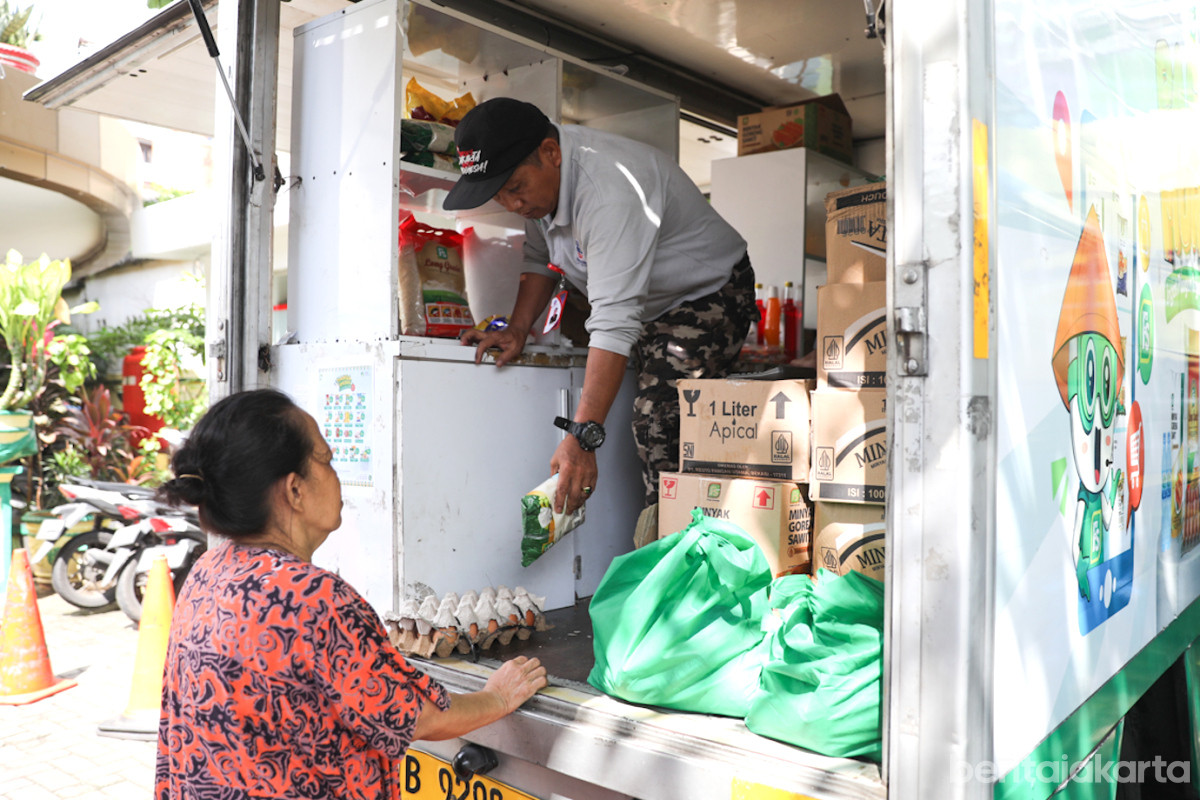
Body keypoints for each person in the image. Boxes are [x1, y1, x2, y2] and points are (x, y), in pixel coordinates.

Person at [154, 389, 547, 800]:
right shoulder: (312, 599)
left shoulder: (208, 570)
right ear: (294, 491)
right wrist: (497, 697)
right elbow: (420, 717)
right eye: (325, 460)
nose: (335, 473)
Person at [445, 97, 758, 515]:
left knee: (661, 421)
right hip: (643, 303)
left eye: (517, 188)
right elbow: (541, 260)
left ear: (550, 154)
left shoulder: (608, 191)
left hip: (707, 292)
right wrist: (518, 328)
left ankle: (676, 556)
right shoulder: (542, 186)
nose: (514, 204)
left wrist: (582, 434)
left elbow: (614, 321)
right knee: (641, 412)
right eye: (500, 195)